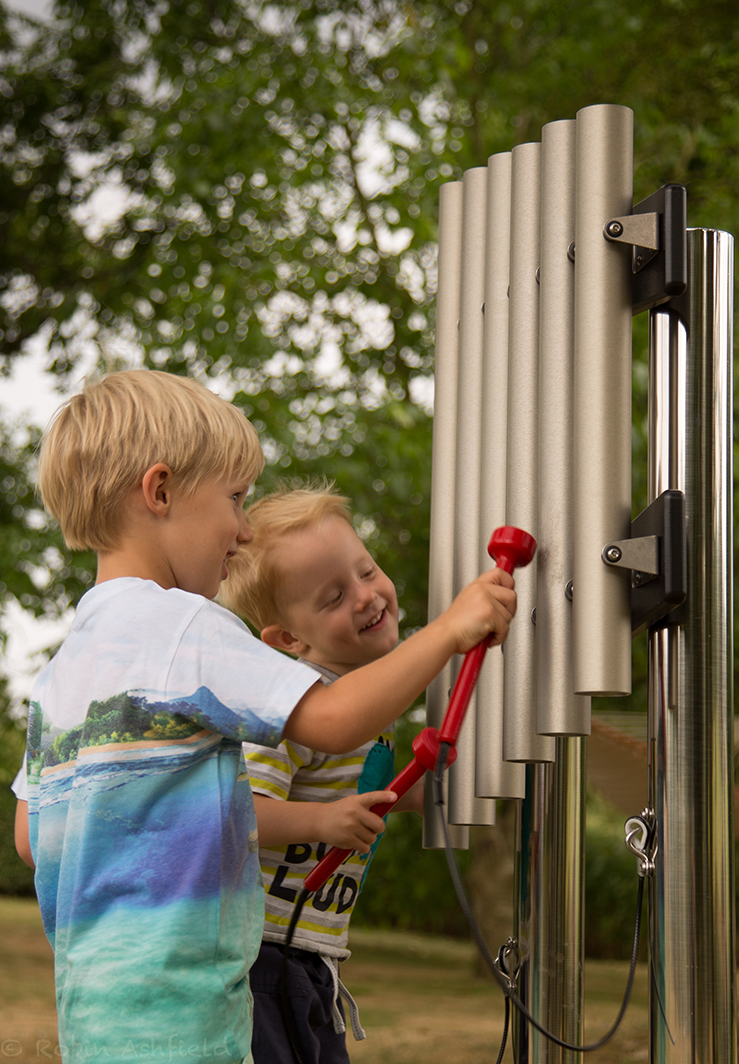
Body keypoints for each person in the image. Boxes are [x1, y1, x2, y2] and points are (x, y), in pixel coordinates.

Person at [17, 369, 516, 1064]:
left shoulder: (64, 670)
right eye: (234, 498)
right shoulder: (186, 627)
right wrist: (451, 630)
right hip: (192, 1015)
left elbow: (30, 836)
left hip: (94, 1016)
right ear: (159, 492)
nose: (243, 528)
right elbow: (335, 718)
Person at [218, 484, 422, 1063]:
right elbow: (239, 810)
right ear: (289, 639)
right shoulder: (291, 710)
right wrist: (323, 819)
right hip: (261, 957)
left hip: (312, 957)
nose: (365, 597)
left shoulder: (368, 707)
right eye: (333, 597)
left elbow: (378, 790)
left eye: (367, 571)